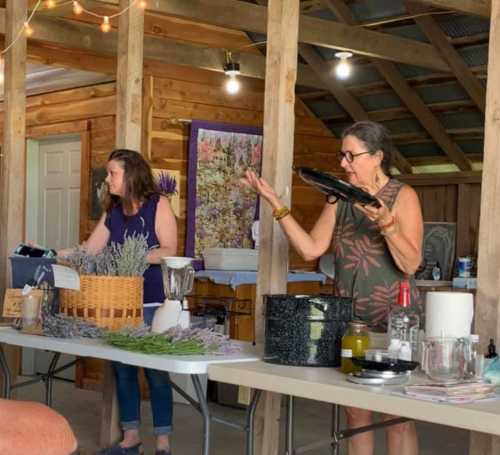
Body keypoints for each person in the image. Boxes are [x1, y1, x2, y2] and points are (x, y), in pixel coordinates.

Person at [242, 121, 423, 455]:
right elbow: (311, 248)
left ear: (377, 157)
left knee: (396, 414)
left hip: (395, 320)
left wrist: (386, 223)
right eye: (342, 155)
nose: (343, 164)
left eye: (351, 156)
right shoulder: (338, 198)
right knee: (355, 410)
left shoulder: (403, 196)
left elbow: (411, 263)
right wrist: (274, 203)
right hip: (350, 321)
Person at [61, 149, 177, 455]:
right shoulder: (113, 212)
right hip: (120, 303)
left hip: (152, 302)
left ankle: (163, 444)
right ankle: (131, 439)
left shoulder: (158, 205)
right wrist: (52, 254)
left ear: (131, 175)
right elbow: (90, 250)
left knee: (155, 371)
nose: (108, 179)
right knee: (123, 369)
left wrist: (133, 255)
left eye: (113, 173)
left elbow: (169, 250)